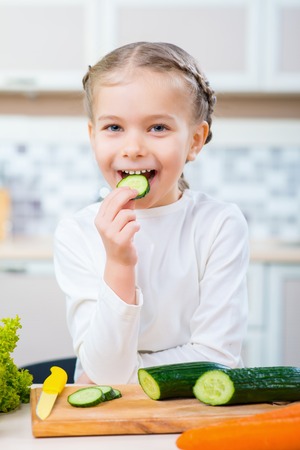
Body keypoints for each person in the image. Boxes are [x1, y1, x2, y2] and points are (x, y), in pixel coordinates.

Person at [54, 42, 249, 384]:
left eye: (157, 127)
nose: (132, 148)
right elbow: (106, 373)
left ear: (195, 141)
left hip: (192, 411)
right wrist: (119, 263)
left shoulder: (219, 225)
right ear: (93, 136)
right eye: (113, 128)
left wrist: (126, 373)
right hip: (106, 424)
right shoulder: (76, 233)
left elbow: (218, 358)